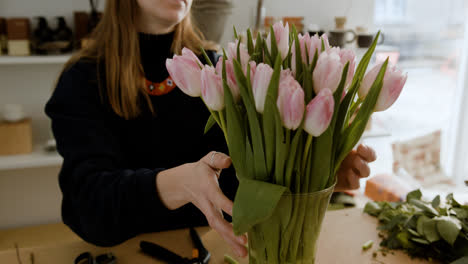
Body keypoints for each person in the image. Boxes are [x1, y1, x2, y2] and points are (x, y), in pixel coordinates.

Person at [45, 0, 377, 258]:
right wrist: (178, 184)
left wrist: (317, 169)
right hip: (128, 253)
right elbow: (87, 206)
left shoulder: (220, 69)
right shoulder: (84, 81)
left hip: (219, 248)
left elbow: (251, 181)